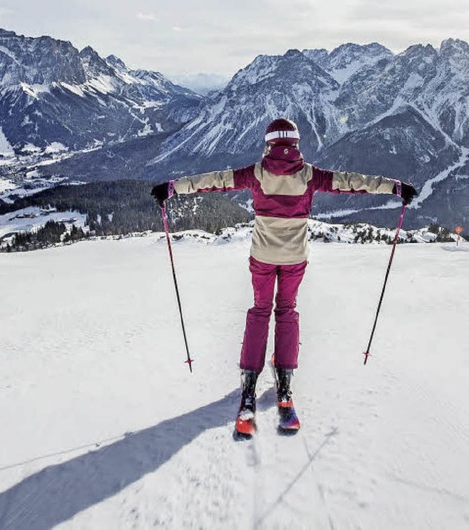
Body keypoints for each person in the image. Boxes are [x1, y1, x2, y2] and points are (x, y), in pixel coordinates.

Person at [150, 118, 417, 438]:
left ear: (269, 143)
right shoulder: (310, 175)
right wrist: (395, 187)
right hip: (294, 259)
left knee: (260, 310)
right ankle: (285, 382)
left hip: (262, 257)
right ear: (295, 143)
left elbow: (214, 181)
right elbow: (352, 182)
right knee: (286, 310)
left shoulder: (255, 173)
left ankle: (249, 382)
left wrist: (172, 187)